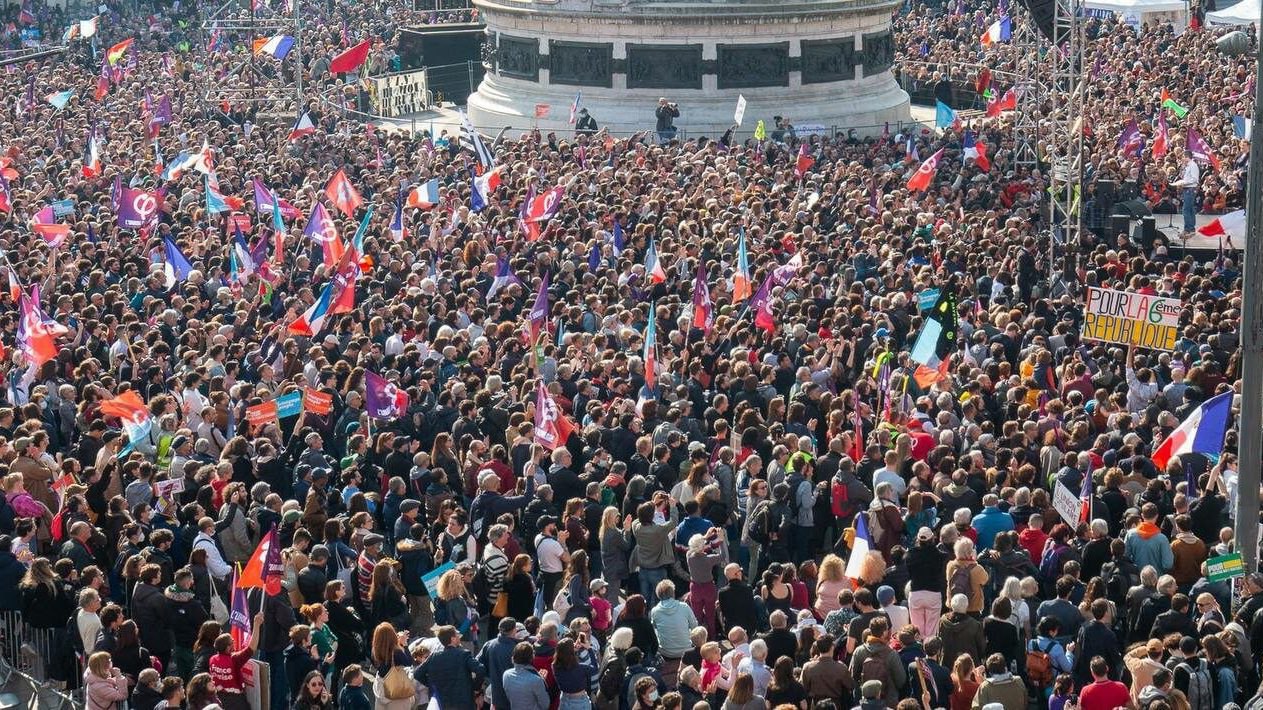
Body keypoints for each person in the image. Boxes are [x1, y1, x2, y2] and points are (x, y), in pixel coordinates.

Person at [414, 625, 486, 709]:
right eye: (457, 635)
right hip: (463, 703)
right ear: (452, 639)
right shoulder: (463, 654)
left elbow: (417, 674)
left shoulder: (433, 657)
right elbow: (481, 669)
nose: (459, 637)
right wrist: (475, 687)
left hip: (442, 703)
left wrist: (432, 684)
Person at [504, 640, 550, 709]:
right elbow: (545, 705)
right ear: (532, 658)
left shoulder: (506, 674)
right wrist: (541, 680)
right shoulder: (536, 680)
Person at [1172, 147, 1201, 236]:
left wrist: (1183, 182)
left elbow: (1195, 179)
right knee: (1190, 209)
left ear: (1187, 156)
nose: (1182, 159)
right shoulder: (1188, 166)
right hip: (1187, 189)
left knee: (1186, 210)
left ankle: (1187, 229)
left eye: (1183, 157)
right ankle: (1191, 228)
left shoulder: (1193, 166)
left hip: (1190, 189)